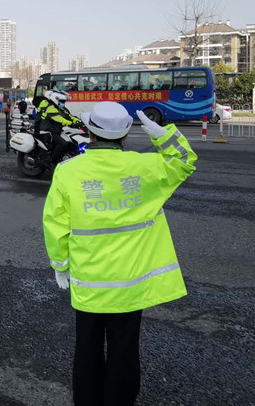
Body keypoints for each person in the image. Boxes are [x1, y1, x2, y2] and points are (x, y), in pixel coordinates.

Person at [43, 102, 196, 406]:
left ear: (89, 132)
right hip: (131, 283)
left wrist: (60, 265)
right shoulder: (146, 168)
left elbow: (55, 223)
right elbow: (184, 159)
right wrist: (163, 134)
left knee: (86, 347)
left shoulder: (67, 171)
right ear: (126, 136)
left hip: (89, 282)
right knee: (124, 349)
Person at [36, 90, 83, 164]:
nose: (63, 103)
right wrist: (71, 124)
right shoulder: (50, 108)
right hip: (46, 130)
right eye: (62, 101)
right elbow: (59, 118)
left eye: (64, 102)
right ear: (56, 99)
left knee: (69, 140)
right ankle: (52, 161)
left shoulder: (59, 108)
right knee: (62, 143)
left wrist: (80, 121)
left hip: (55, 130)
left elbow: (69, 116)